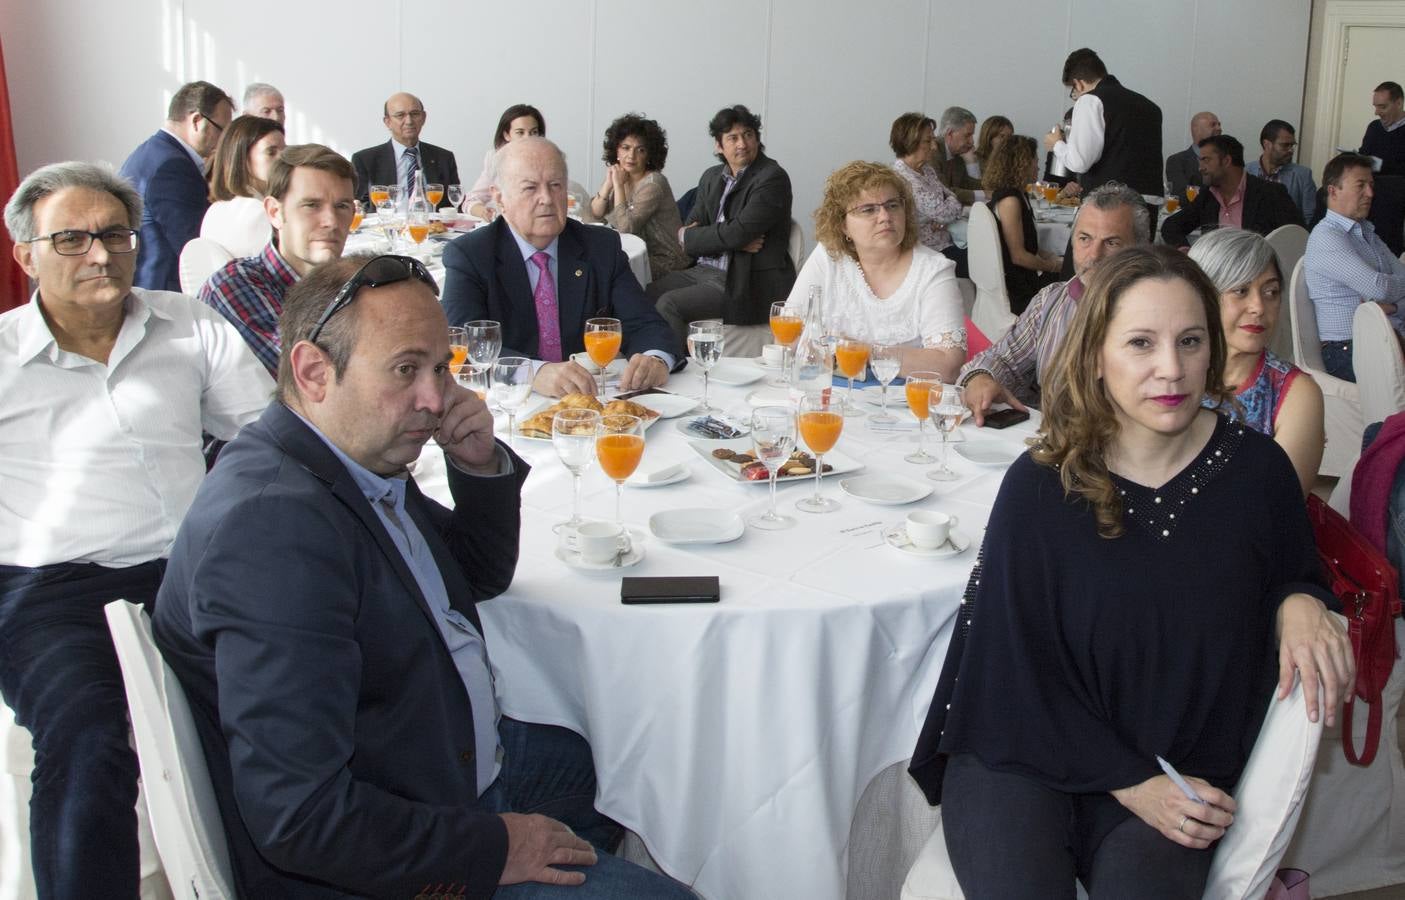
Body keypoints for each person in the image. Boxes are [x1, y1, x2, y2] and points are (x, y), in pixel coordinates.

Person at [154, 253, 696, 899]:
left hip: (426, 758)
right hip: (389, 845)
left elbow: (472, 578)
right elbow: (300, 817)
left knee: (628, 749)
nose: (436, 399)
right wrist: (496, 847)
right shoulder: (275, 529)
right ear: (313, 371)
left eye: (441, 367)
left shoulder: (346, 460)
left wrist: (477, 465)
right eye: (406, 369)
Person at [911, 244, 1353, 899]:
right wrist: (1126, 782)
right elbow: (1004, 666)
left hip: (1177, 759)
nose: (1169, 369)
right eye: (1140, 343)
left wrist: (1300, 599)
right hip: (1027, 748)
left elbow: (1291, 567)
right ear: (1095, 356)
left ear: (1212, 350)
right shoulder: (1039, 485)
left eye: (1190, 341)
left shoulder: (1256, 474)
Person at [0, 161, 271, 899]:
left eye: (116, 234)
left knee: (282, 711)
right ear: (26, 256)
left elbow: (266, 443)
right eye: (72, 239)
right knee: (87, 738)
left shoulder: (187, 324)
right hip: (51, 591)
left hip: (192, 575)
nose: (100, 254)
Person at [441, 137, 680, 397]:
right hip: (511, 402)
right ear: (500, 199)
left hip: (590, 404)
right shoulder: (471, 255)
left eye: (555, 185)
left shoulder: (600, 247)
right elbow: (459, 345)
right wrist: (535, 372)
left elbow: (645, 324)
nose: (546, 198)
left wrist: (655, 359)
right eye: (530, 188)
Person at [958, 181, 1151, 422]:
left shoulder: (1154, 315)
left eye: (1112, 243)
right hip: (1052, 443)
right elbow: (1002, 359)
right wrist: (979, 378)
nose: (1094, 255)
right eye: (1084, 239)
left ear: (1141, 249)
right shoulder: (1051, 300)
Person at [782, 161, 966, 382]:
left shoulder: (933, 269)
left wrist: (862, 350)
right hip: (831, 397)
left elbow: (947, 366)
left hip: (905, 407)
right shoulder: (829, 256)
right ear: (843, 225)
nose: (885, 217)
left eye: (893, 205)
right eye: (868, 210)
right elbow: (786, 335)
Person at [199, 144, 356, 376]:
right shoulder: (234, 287)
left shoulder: (351, 285)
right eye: (311, 205)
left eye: (342, 206)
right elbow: (311, 381)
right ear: (274, 212)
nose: (331, 221)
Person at [1188, 228, 1324, 494]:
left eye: (1270, 292)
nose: (1259, 307)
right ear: (1202, 297)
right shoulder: (1172, 377)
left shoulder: (1293, 394)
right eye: (1241, 290)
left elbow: (1279, 505)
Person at [646, 104, 796, 342]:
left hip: (742, 280)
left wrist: (722, 237)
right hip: (703, 270)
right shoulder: (712, 176)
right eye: (733, 137)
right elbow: (689, 234)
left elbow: (736, 233)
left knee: (668, 304)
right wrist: (729, 241)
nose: (742, 144)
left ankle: (679, 367)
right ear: (719, 145)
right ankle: (649, 357)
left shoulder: (772, 177)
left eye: (748, 135)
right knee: (645, 292)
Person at [119, 80, 234, 292]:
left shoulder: (148, 153)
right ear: (197, 121)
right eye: (222, 131)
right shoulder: (173, 167)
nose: (224, 142)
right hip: (164, 290)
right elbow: (193, 243)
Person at [1304, 152, 1405, 382]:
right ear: (1333, 190)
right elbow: (1378, 288)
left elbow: (1394, 281)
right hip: (1347, 349)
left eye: (1371, 185)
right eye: (1361, 185)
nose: (1370, 193)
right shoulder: (1326, 236)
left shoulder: (1366, 232)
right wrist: (1386, 293)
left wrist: (1392, 307)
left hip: (1384, 338)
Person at [1044, 48, 1163, 197]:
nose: (1075, 96)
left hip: (1111, 202)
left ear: (1078, 84)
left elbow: (1080, 162)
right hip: (1149, 199)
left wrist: (1056, 144)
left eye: (1073, 91)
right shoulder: (1150, 106)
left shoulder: (1090, 100)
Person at [584, 113, 689, 278]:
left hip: (666, 259)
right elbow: (593, 216)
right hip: (635, 252)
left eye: (640, 150)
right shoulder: (623, 175)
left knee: (606, 270)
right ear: (616, 150)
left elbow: (626, 228)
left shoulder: (654, 184)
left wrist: (617, 186)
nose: (631, 156)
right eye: (625, 148)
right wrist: (607, 185)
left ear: (649, 155)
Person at [1160, 135, 1303, 248]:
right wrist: (1184, 249)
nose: (1200, 168)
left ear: (1227, 161)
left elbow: (1296, 236)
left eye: (1206, 160)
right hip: (1217, 276)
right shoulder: (1208, 196)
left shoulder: (1270, 193)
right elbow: (1171, 226)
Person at [982, 134, 1063, 314]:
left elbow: (1027, 244)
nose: (1038, 165)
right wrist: (1054, 266)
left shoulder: (1019, 195)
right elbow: (1018, 256)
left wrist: (1051, 257)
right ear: (1022, 163)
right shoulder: (1010, 200)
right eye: (1035, 160)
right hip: (1019, 291)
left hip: (1024, 280)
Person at [351, 91, 459, 209]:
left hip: (434, 226)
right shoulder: (365, 160)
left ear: (423, 118)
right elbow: (360, 205)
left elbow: (454, 202)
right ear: (387, 122)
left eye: (414, 114)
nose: (409, 121)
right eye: (400, 115)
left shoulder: (443, 158)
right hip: (387, 225)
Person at [890, 112, 967, 275]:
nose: (934, 146)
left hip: (947, 242)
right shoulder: (902, 177)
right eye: (928, 141)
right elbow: (945, 212)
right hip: (927, 252)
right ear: (909, 142)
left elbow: (952, 198)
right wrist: (944, 211)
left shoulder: (926, 170)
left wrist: (945, 208)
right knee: (986, 264)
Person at [199, 114, 286, 258]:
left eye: (285, 151)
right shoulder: (259, 213)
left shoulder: (214, 210)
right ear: (242, 158)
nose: (282, 159)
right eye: (271, 152)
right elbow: (283, 275)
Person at [466, 103, 545, 221]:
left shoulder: (549, 160)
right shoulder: (494, 158)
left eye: (533, 132)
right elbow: (471, 200)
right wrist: (483, 211)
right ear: (507, 135)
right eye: (520, 132)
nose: (528, 138)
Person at [1246, 120, 1318, 221]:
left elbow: (1309, 217)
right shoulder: (1246, 172)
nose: (1291, 150)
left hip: (1288, 234)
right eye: (1285, 145)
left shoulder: (1303, 175)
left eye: (1292, 145)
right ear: (1267, 144)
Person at [930, 106, 983, 204]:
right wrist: (986, 194)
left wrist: (997, 189)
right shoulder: (932, 152)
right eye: (967, 135)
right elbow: (944, 192)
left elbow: (967, 184)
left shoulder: (958, 156)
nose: (972, 142)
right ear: (950, 133)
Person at [1164, 111, 1220, 199]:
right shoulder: (1177, 161)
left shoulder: (1226, 160)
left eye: (1219, 124)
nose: (1219, 128)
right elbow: (1181, 196)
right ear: (1196, 129)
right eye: (1213, 125)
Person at [1361, 80, 1405, 177]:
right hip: (1368, 186)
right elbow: (1363, 156)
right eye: (1375, 107)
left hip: (1397, 189)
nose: (1376, 113)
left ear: (1399, 103)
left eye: (1382, 107)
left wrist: (1380, 165)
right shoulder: (1374, 127)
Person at [972, 115, 1013, 180]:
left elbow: (1029, 185)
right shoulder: (974, 160)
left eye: (1010, 137)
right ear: (988, 137)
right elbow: (979, 186)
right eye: (1002, 136)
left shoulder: (1013, 160)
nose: (1007, 141)